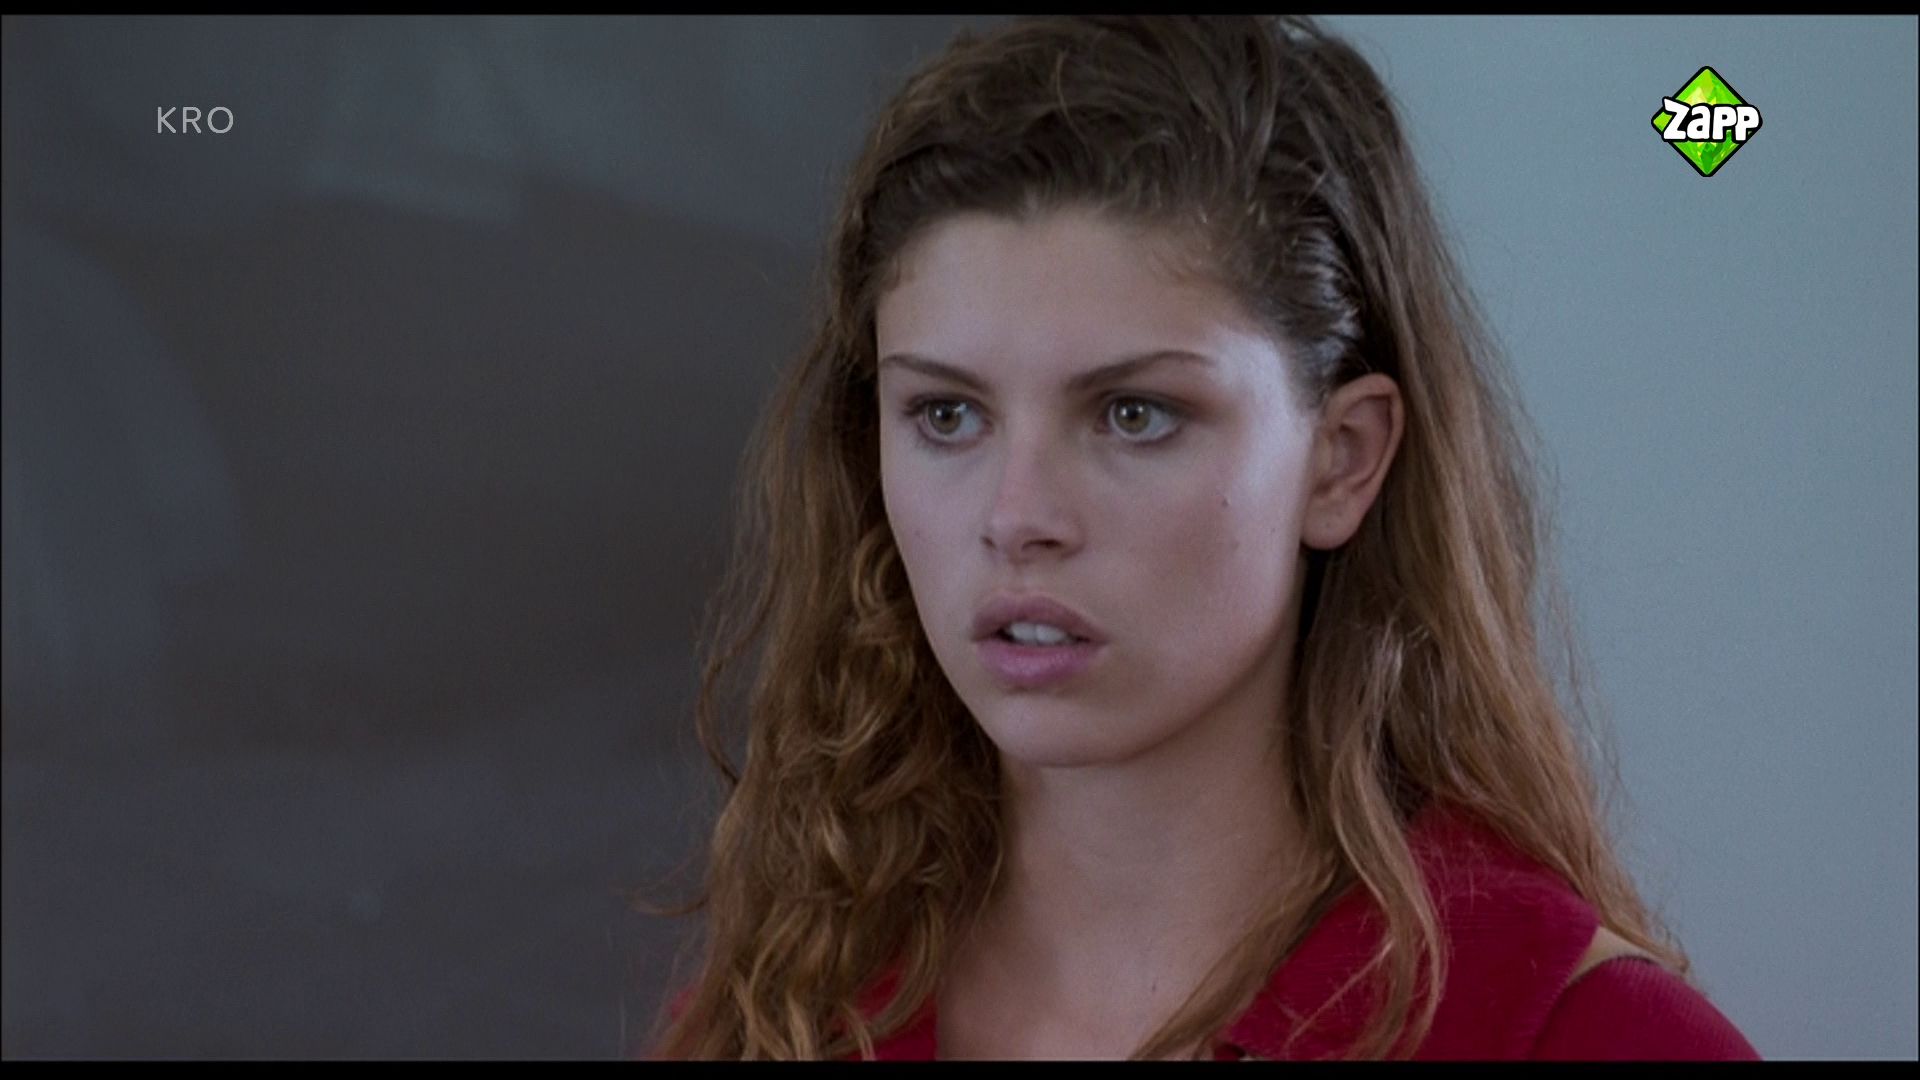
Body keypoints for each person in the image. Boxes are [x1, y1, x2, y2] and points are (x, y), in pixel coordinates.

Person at [641, 15, 1760, 1060]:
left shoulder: (1589, 1034)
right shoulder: (777, 1015)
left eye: (1135, 415)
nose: (1016, 517)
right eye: (946, 415)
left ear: (1343, 459)